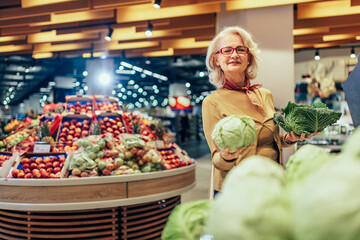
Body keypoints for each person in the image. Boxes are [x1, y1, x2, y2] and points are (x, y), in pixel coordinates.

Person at [202, 26, 317, 198]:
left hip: (272, 182)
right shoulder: (212, 102)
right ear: (216, 60)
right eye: (227, 50)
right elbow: (217, 160)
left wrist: (289, 139)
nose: (234, 55)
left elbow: (271, 141)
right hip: (237, 189)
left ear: (248, 58)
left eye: (241, 49)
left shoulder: (265, 95)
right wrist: (226, 156)